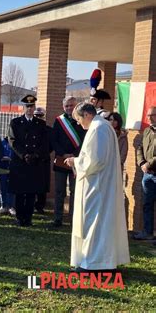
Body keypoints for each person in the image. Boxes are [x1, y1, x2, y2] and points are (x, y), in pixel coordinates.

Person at [64, 102, 130, 271]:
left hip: (97, 188)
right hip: (99, 185)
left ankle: (94, 264)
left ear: (86, 114)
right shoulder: (102, 126)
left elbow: (96, 160)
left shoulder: (98, 128)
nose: (79, 123)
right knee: (98, 223)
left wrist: (75, 161)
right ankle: (98, 262)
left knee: (94, 223)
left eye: (79, 119)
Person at [8, 95, 49, 227]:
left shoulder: (40, 124)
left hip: (34, 163)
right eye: (27, 106)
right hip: (20, 162)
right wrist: (24, 155)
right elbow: (12, 141)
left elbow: (44, 143)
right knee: (20, 191)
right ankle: (20, 217)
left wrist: (35, 155)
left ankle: (28, 217)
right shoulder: (15, 122)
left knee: (31, 192)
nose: (30, 109)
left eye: (32, 106)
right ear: (23, 107)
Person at [50, 96, 86, 228]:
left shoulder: (81, 119)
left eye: (71, 105)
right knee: (59, 191)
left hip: (76, 161)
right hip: (61, 160)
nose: (69, 108)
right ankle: (58, 218)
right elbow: (54, 140)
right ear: (63, 107)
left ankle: (73, 219)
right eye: (67, 106)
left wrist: (74, 155)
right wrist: (63, 153)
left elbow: (85, 140)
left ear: (76, 106)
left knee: (75, 190)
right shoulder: (59, 121)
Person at [133, 106, 156, 240]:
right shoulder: (147, 131)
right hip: (147, 174)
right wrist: (142, 163)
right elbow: (140, 148)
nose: (149, 118)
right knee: (147, 204)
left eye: (152, 115)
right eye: (148, 115)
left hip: (153, 169)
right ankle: (147, 232)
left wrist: (149, 163)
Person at [33, 107, 53, 214]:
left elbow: (51, 146)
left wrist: (42, 153)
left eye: (40, 115)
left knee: (42, 185)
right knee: (31, 184)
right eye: (36, 115)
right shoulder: (29, 128)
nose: (38, 117)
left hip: (43, 160)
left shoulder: (49, 130)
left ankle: (40, 206)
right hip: (31, 161)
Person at [0, 136, 15, 215]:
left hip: (13, 168)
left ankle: (11, 206)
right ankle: (3, 206)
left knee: (11, 188)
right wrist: (2, 157)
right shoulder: (2, 143)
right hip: (3, 167)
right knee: (3, 187)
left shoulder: (15, 143)